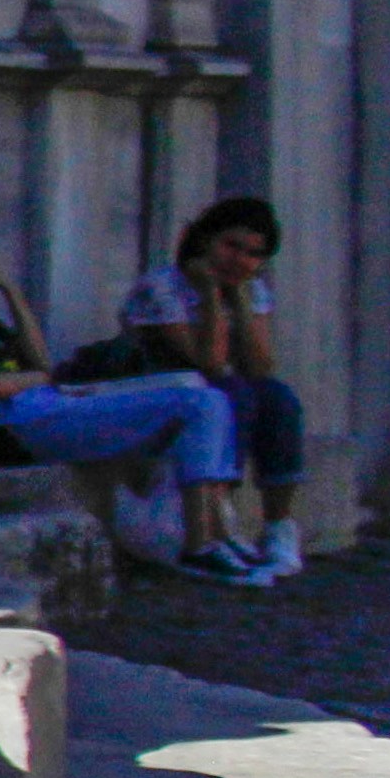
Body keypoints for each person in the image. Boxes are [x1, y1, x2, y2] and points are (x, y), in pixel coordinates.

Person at [0, 206, 275, 583]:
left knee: (203, 393)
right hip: (14, 423)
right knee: (199, 402)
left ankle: (218, 534)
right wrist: (45, 378)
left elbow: (38, 358)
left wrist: (9, 292)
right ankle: (199, 542)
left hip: (49, 402)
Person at [118, 196, 302, 580]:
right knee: (231, 394)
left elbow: (261, 366)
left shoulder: (251, 290)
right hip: (161, 386)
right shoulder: (162, 287)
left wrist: (240, 301)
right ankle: (219, 524)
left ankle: (279, 528)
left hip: (215, 386)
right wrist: (214, 297)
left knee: (278, 399)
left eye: (254, 254)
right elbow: (209, 363)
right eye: (231, 245)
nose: (240, 260)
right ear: (206, 240)